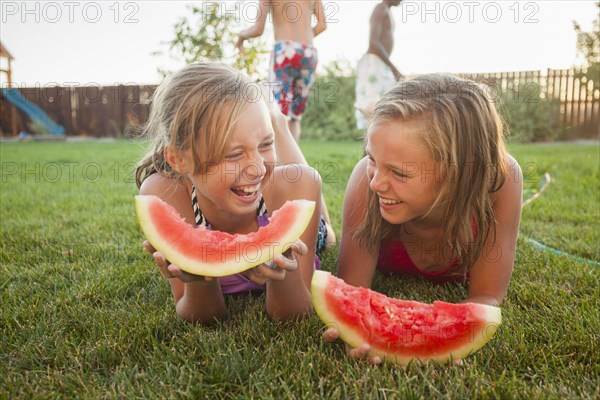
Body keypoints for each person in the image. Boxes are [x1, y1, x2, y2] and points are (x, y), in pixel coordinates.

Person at [325, 74, 523, 363]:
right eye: (371, 159)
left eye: (399, 173)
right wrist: (356, 332)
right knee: (328, 234)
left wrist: (447, 338)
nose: (376, 183)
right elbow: (352, 294)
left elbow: (486, 298)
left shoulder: (501, 181)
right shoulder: (364, 183)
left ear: (459, 175)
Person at [135, 62, 330, 324]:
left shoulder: (294, 189)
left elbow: (293, 314)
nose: (257, 168)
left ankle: (278, 125)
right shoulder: (164, 192)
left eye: (266, 144)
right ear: (179, 159)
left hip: (286, 204)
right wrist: (198, 278)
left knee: (324, 230)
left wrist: (285, 268)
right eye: (234, 154)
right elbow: (202, 317)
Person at [236, 0, 327, 142]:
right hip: (308, 52)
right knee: (295, 117)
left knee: (277, 112)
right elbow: (322, 25)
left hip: (285, 51)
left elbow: (258, 29)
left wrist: (241, 36)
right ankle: (292, 160)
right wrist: (301, 43)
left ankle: (279, 161)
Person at [355, 0, 403, 130]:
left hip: (380, 64)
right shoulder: (380, 8)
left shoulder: (386, 10)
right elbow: (373, 41)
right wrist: (393, 67)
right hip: (374, 64)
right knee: (373, 106)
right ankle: (370, 146)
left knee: (382, 106)